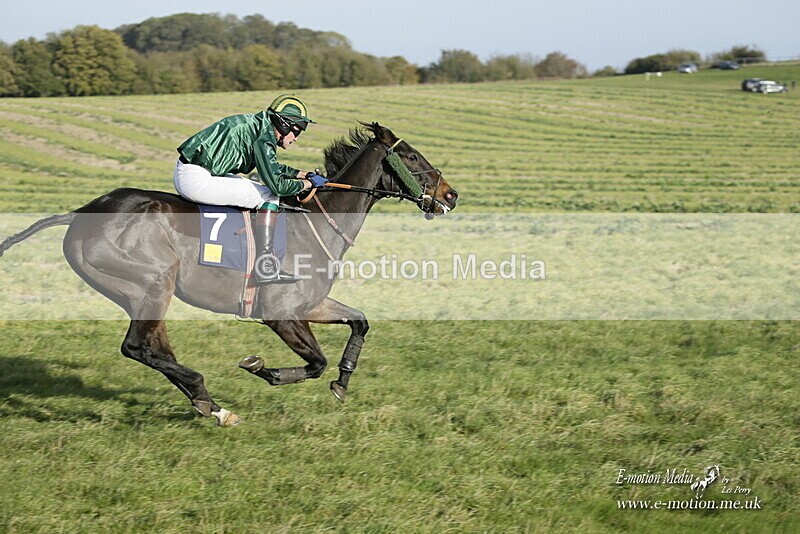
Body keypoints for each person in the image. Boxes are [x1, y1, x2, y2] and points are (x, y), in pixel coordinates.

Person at [174, 94, 328, 283]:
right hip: (196, 178)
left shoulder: (258, 126)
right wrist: (309, 184)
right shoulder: (263, 138)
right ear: (284, 124)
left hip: (194, 170)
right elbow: (278, 186)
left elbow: (272, 167)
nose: (295, 139)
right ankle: (266, 267)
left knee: (254, 188)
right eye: (296, 132)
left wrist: (303, 174)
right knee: (269, 196)